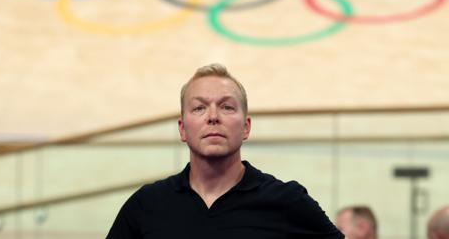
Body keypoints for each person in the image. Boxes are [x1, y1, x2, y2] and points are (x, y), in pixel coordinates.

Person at [106, 63, 343, 239]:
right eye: (199, 108)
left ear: (246, 127)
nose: (213, 117)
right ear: (183, 129)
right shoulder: (147, 204)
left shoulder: (287, 200)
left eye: (226, 107)